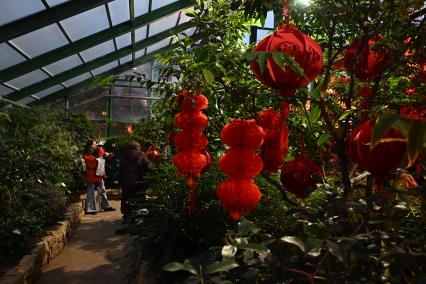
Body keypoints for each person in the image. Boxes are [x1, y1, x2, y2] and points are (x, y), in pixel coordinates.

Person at [119, 141, 152, 221]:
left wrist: (121, 183)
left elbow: (120, 171)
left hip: (126, 182)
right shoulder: (141, 156)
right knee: (139, 198)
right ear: (138, 147)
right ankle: (138, 216)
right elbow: (149, 168)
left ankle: (127, 215)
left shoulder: (123, 157)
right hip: (139, 183)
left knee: (127, 198)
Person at [82, 139, 115, 214]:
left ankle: (105, 206)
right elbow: (91, 162)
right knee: (91, 192)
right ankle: (90, 209)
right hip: (91, 175)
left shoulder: (98, 151)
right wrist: (98, 158)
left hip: (99, 175)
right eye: (94, 144)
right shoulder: (86, 154)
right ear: (89, 146)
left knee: (102, 190)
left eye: (95, 144)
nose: (95, 145)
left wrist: (109, 154)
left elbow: (107, 155)